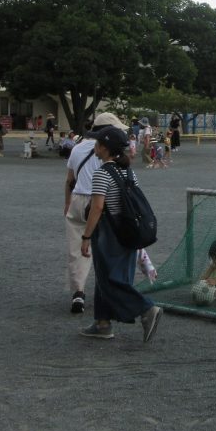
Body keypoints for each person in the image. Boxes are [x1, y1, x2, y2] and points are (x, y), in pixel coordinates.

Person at [77, 125, 163, 343]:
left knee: (108, 279)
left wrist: (86, 237)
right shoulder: (128, 171)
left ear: (105, 149)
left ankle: (146, 309)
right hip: (127, 229)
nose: (94, 147)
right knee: (110, 276)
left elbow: (97, 208)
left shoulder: (102, 174)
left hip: (108, 230)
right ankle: (102, 323)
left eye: (98, 143)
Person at [64, 112, 126, 315]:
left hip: (78, 199)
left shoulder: (78, 149)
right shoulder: (109, 151)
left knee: (76, 249)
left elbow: (69, 180)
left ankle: (78, 292)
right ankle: (109, 292)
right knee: (105, 248)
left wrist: (67, 204)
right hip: (99, 201)